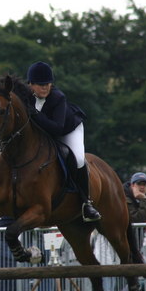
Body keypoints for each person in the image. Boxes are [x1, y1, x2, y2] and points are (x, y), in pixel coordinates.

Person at [26, 61, 100, 222]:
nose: (45, 87)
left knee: (79, 159)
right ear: (30, 84)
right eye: (40, 84)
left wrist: (35, 115)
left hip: (68, 129)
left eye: (48, 83)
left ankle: (86, 202)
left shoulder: (58, 97)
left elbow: (57, 128)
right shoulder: (25, 97)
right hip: (44, 132)